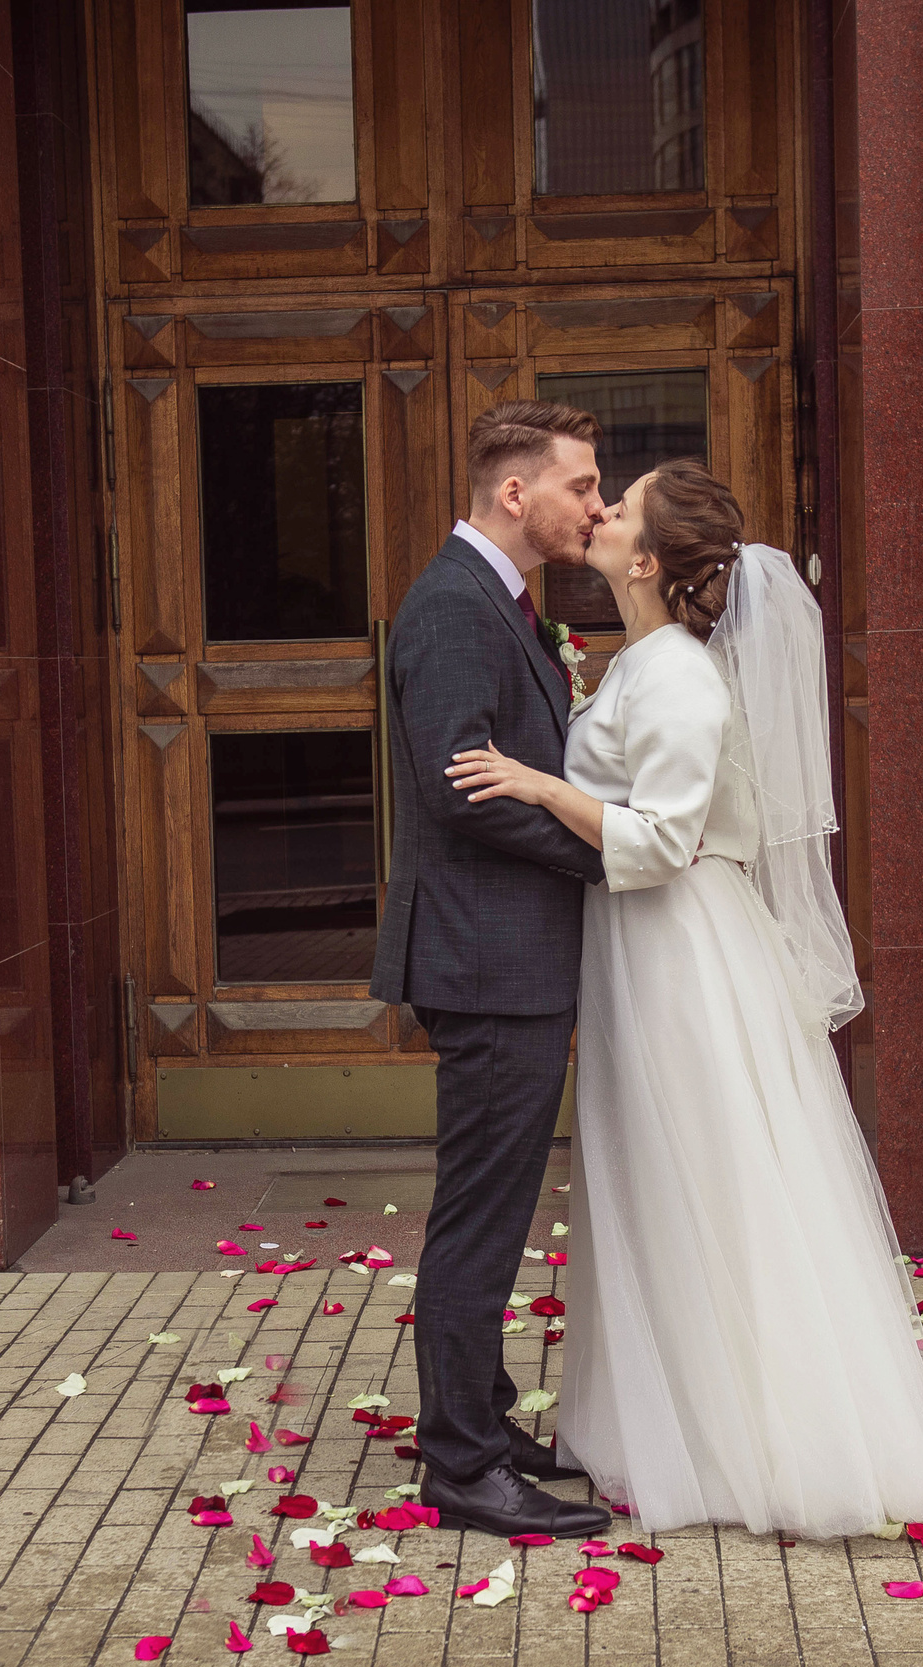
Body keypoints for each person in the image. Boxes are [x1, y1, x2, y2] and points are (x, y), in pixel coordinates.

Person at [444, 460, 923, 1537]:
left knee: (708, 1179)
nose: (597, 510)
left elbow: (668, 839)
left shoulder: (676, 674)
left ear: (642, 560)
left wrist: (543, 783)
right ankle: (668, 1413)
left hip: (680, 953)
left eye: (616, 504)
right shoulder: (641, 664)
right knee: (657, 1182)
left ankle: (759, 1434)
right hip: (640, 947)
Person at [369, 399, 615, 1540]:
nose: (596, 506)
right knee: (478, 1218)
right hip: (484, 957)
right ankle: (461, 1466)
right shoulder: (455, 608)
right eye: (582, 484)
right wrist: (608, 856)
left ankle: (480, 1413)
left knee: (496, 1207)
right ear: (515, 492)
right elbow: (461, 785)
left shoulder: (495, 601)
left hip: (503, 954)